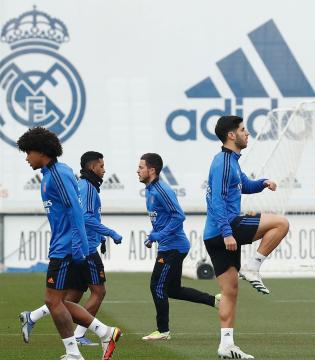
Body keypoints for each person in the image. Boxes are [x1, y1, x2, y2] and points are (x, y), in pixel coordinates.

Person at [17, 127, 122, 360]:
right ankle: (105, 333)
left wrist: (78, 247)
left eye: (28, 152)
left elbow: (76, 212)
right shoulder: (50, 174)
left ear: (41, 151)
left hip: (66, 248)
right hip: (63, 246)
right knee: (58, 301)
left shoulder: (58, 175)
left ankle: (74, 352)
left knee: (54, 301)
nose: (26, 157)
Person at [204, 115, 289, 359]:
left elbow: (245, 186)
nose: (247, 133)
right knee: (281, 223)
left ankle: (226, 345)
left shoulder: (231, 161)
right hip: (226, 228)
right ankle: (254, 266)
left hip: (214, 234)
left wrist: (264, 183)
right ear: (231, 135)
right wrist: (228, 233)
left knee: (230, 290)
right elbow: (217, 200)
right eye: (243, 130)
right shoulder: (224, 162)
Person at [137, 153, 221, 341]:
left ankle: (163, 331)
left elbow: (178, 216)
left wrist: (160, 235)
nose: (138, 170)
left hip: (174, 247)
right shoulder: (150, 190)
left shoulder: (161, 190)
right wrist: (154, 236)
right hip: (169, 246)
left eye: (141, 167)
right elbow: (163, 219)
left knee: (156, 286)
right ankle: (214, 301)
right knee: (173, 290)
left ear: (152, 170)